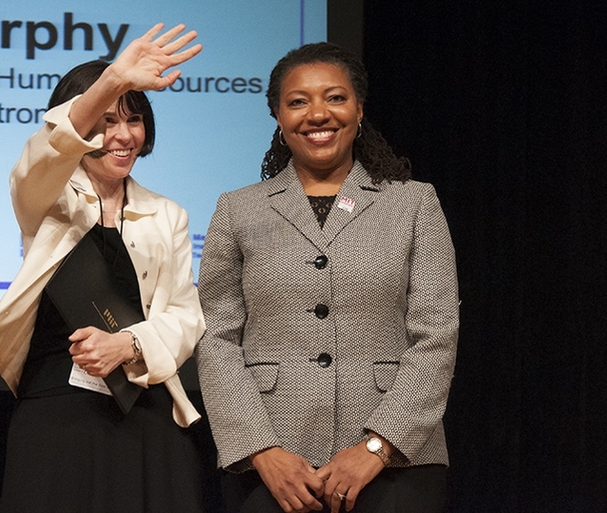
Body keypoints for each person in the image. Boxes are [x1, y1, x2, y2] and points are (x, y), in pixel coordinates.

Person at [0, 23, 207, 512]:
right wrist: (113, 79)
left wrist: (127, 344)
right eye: (106, 121)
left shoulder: (168, 214)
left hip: (144, 407)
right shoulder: (47, 198)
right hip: (58, 412)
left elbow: (185, 317)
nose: (123, 135)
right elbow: (42, 156)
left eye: (134, 120)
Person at [195, 42, 459, 513]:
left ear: (359, 110)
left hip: (398, 462)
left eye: (335, 98)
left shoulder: (413, 203)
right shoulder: (238, 209)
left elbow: (436, 335)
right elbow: (216, 339)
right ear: (278, 116)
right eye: (298, 102)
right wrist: (261, 450)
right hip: (273, 466)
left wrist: (378, 446)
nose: (318, 114)